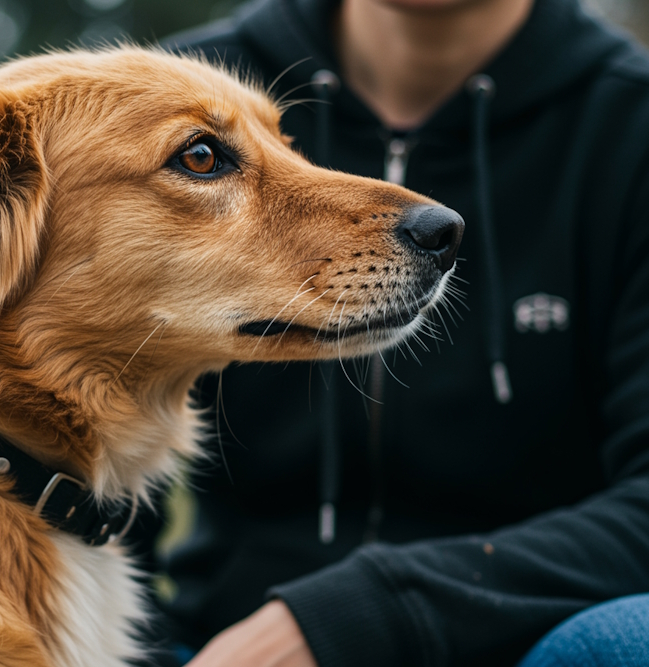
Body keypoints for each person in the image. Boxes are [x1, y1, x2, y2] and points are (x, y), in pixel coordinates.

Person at [135, 0, 649, 665]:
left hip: (528, 643)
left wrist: (355, 616)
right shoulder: (186, 91)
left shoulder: (630, 127)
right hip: (214, 648)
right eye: (208, 159)